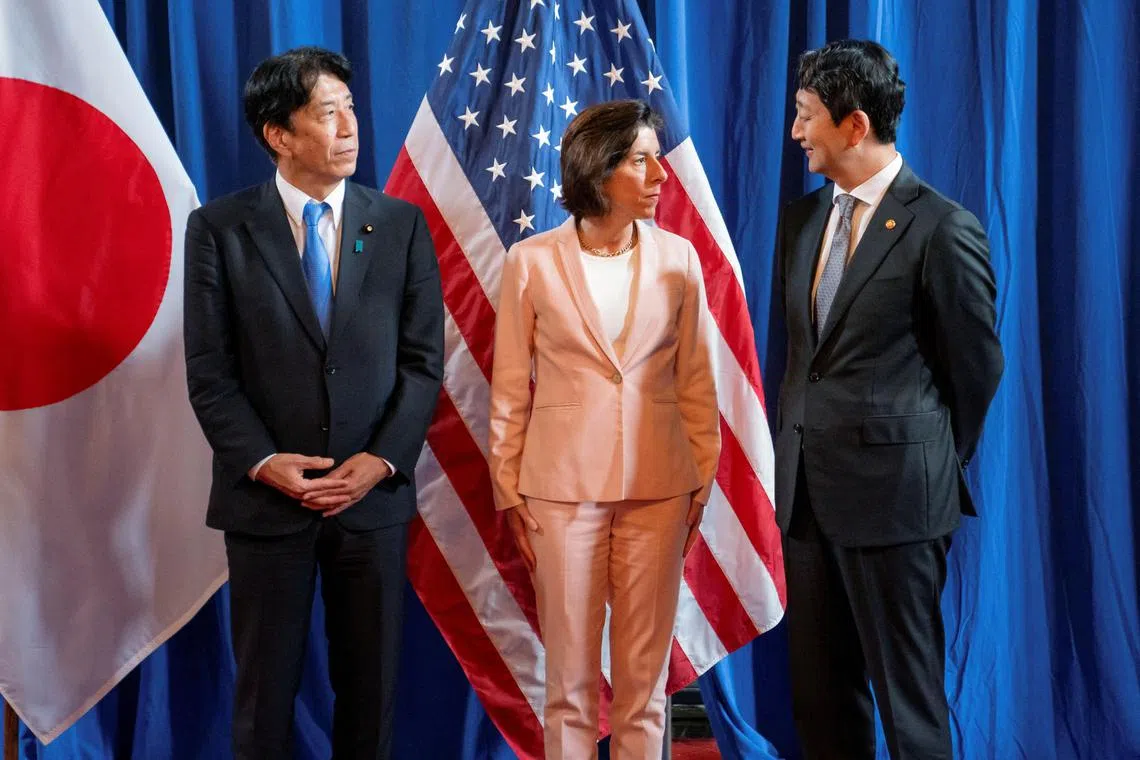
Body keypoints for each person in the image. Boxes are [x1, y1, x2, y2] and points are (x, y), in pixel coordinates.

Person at [183, 46, 443, 759]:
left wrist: (380, 461)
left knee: (371, 696)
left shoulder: (400, 226)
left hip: (372, 503)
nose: (350, 125)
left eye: (350, 107)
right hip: (268, 505)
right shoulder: (219, 230)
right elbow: (209, 371)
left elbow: (424, 365)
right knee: (264, 700)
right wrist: (265, 462)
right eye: (328, 112)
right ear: (279, 134)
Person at [774, 39, 1004, 759]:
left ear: (854, 125)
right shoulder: (801, 223)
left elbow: (977, 369)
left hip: (898, 503)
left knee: (909, 707)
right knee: (820, 702)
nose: (796, 132)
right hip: (806, 500)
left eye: (807, 115)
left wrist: (924, 454)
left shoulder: (942, 227)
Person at [488, 99, 720, 759]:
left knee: (644, 685)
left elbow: (698, 381)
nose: (659, 175)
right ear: (599, 168)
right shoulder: (529, 262)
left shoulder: (680, 260)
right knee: (569, 683)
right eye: (641, 160)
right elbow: (509, 389)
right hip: (559, 496)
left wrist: (701, 478)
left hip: (661, 488)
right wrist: (509, 490)